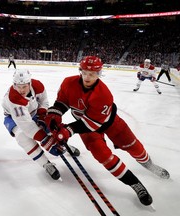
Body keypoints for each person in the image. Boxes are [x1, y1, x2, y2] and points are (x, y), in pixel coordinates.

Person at [45, 56, 170, 206]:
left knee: (135, 147)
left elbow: (91, 124)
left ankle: (150, 165)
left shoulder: (103, 93)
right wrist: (55, 115)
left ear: (99, 73)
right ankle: (135, 184)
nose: (87, 77)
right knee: (103, 156)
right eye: (84, 72)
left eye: (92, 74)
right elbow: (62, 102)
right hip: (86, 128)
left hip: (110, 124)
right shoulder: (68, 82)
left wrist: (69, 130)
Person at [2, 69, 80, 180]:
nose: (21, 90)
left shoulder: (37, 85)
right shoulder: (13, 99)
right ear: (14, 84)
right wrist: (46, 141)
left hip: (34, 112)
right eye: (18, 86)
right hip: (14, 118)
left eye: (24, 86)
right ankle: (46, 164)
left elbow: (44, 101)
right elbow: (27, 126)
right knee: (23, 137)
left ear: (30, 83)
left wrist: (43, 115)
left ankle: (63, 146)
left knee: (51, 125)